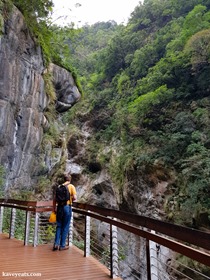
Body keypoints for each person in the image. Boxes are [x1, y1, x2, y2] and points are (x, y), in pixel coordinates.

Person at [52, 174, 77, 251]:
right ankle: (62, 245)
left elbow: (55, 199)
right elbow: (75, 198)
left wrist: (54, 208)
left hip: (59, 207)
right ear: (70, 180)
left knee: (59, 226)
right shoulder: (71, 186)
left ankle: (56, 244)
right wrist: (70, 199)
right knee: (65, 226)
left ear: (64, 180)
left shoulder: (59, 187)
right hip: (67, 207)